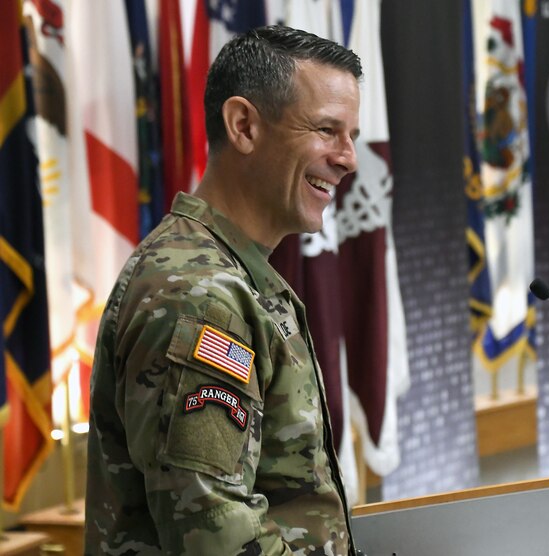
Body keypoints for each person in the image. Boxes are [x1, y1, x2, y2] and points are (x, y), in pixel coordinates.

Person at [84, 25, 362, 556]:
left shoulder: (231, 272)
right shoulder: (200, 295)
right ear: (243, 126)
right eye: (328, 130)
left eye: (350, 135)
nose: (348, 157)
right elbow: (216, 539)